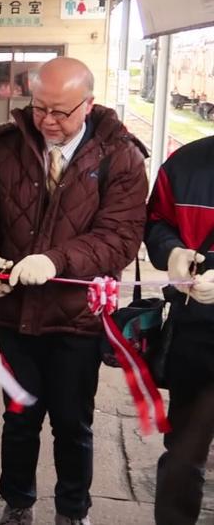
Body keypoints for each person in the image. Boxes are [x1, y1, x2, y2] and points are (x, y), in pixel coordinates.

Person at [0, 57, 148, 525]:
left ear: (88, 104)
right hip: (14, 313)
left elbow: (120, 237)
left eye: (60, 112)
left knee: (72, 421)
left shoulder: (120, 157)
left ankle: (72, 510)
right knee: (19, 417)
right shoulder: (6, 148)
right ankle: (17, 503)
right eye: (39, 107)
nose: (47, 120)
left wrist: (56, 260)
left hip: (78, 317)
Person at [145, 136, 214, 525]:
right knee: (184, 454)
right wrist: (172, 251)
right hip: (196, 332)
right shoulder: (184, 164)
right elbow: (156, 222)